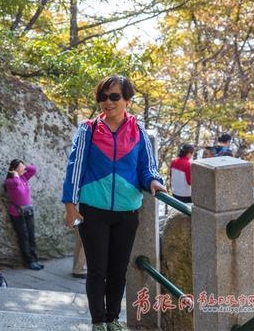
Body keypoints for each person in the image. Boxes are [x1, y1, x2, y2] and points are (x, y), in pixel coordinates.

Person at [62, 75, 166, 331]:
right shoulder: (88, 129)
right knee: (97, 270)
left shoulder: (139, 131)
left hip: (127, 211)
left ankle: (113, 319)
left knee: (118, 270)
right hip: (92, 210)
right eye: (103, 97)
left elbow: (147, 167)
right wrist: (70, 205)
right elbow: (75, 168)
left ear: (127, 100)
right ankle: (99, 321)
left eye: (114, 97)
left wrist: (154, 181)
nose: (107, 102)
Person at [5, 159, 44, 270]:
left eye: (23, 167)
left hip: (28, 211)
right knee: (24, 237)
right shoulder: (10, 181)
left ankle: (35, 259)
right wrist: (15, 174)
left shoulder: (23, 177)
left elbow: (33, 169)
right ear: (14, 170)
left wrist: (23, 166)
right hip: (17, 213)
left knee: (31, 236)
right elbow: (16, 183)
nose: (23, 169)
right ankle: (29, 261)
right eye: (20, 167)